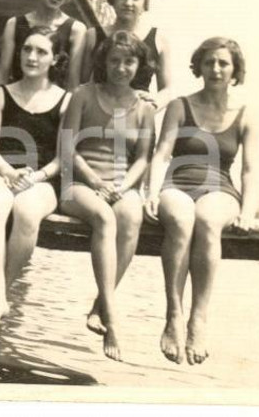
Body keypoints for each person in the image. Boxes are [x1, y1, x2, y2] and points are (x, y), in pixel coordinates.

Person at [144, 37, 257, 365]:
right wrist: (152, 192)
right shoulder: (181, 105)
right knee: (180, 218)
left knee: (207, 219)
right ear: (199, 67)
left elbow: (250, 171)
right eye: (209, 62)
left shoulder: (245, 114)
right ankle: (174, 315)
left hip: (220, 189)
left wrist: (249, 211)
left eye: (223, 63)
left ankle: (199, 320)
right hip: (177, 183)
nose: (216, 69)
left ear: (235, 70)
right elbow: (161, 154)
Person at [59, 31, 156, 362]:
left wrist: (125, 185)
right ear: (104, 61)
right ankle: (113, 321)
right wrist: (95, 181)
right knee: (103, 216)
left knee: (131, 215)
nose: (121, 67)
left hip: (120, 185)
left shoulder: (144, 109)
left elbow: (143, 157)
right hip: (79, 184)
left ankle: (100, 305)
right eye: (114, 60)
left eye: (129, 61)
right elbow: (67, 146)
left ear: (139, 65)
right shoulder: (84, 95)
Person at [0, 26, 71, 336]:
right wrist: (7, 171)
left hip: (41, 178)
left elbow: (62, 157)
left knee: (27, 212)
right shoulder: (2, 92)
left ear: (55, 59)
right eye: (27, 49)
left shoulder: (65, 100)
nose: (31, 56)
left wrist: (36, 176)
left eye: (41, 51)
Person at [81, 0, 172, 110]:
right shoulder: (93, 35)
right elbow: (82, 82)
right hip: (98, 115)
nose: (128, 3)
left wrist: (152, 104)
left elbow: (168, 89)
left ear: (144, 3)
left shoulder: (158, 39)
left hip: (138, 117)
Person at [0, 0, 86, 91]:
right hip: (16, 101)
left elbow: (72, 82)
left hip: (53, 106)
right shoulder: (14, 24)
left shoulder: (76, 30)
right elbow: (3, 73)